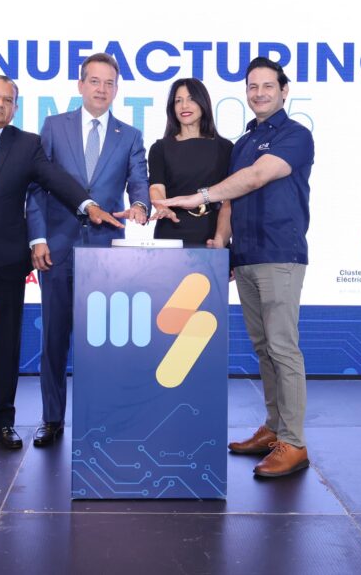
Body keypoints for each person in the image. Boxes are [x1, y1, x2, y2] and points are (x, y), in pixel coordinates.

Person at [0, 75, 123, 454]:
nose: (0, 104)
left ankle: (3, 422)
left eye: (8, 100)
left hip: (8, 258)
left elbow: (56, 180)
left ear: (15, 107)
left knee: (7, 343)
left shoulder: (27, 144)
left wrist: (88, 206)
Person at [154, 57, 314, 478]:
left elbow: (257, 177)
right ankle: (274, 427)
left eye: (268, 86)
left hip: (279, 254)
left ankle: (294, 443)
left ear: (284, 91)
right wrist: (220, 241)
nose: (259, 93)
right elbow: (230, 201)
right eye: (252, 87)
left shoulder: (296, 135)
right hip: (245, 256)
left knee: (283, 348)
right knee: (264, 349)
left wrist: (198, 196)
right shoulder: (243, 143)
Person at [26, 52, 151, 447]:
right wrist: (38, 238)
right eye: (94, 81)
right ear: (81, 85)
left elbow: (139, 181)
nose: (101, 89)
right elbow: (36, 186)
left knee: (103, 343)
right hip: (58, 247)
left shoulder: (130, 135)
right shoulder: (54, 126)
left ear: (117, 89)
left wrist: (141, 205)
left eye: (109, 83)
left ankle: (101, 420)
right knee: (54, 339)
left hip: (106, 252)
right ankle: (52, 419)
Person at [147, 78, 233, 244]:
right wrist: (162, 207)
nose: (184, 106)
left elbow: (230, 197)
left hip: (213, 232)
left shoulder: (225, 147)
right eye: (178, 101)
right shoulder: (160, 148)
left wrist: (221, 238)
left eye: (191, 99)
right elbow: (156, 187)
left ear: (203, 103)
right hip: (171, 229)